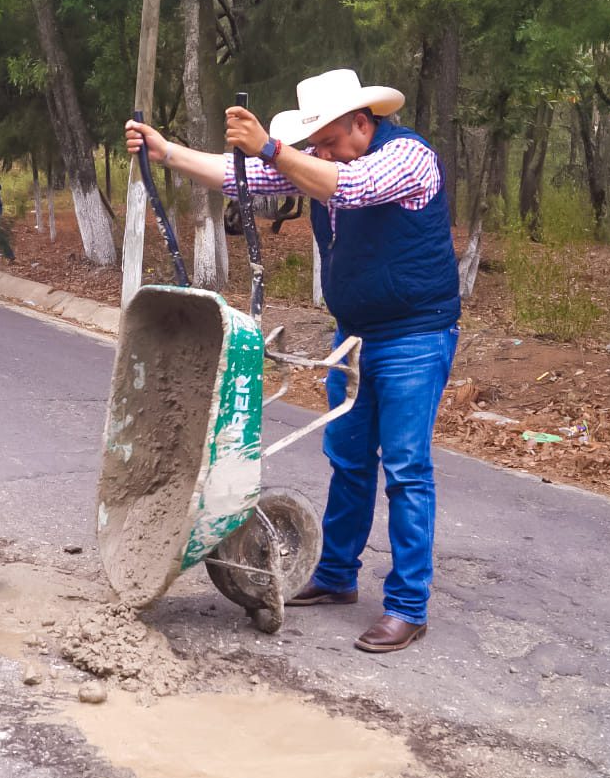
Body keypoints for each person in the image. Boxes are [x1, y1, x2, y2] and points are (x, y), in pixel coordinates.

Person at [125, 68, 459, 654]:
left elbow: (344, 187)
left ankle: (409, 605)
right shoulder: (322, 160)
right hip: (353, 334)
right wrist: (167, 151)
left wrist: (275, 149)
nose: (319, 152)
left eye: (327, 140)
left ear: (364, 122)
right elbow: (244, 178)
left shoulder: (408, 158)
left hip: (414, 335)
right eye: (315, 143)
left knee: (406, 471)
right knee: (350, 463)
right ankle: (335, 577)